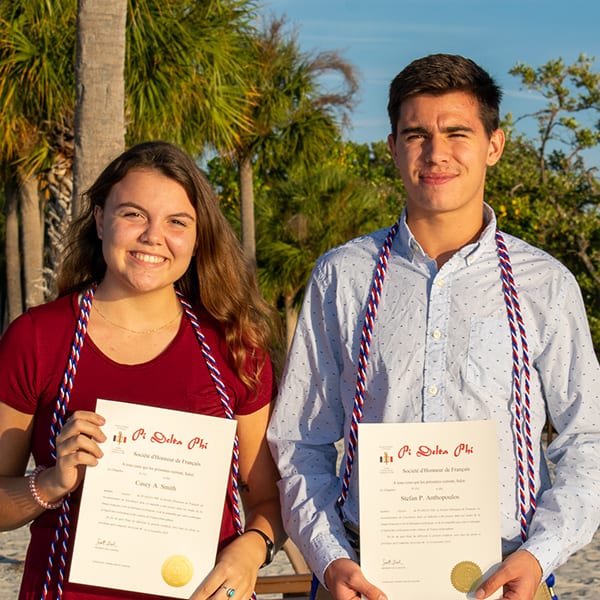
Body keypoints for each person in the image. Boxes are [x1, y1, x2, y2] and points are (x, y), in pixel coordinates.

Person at [267, 54, 600, 600]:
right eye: (416, 134)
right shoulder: (343, 275)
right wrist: (329, 559)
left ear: (494, 144)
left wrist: (541, 554)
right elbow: (302, 440)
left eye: (456, 132)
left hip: (506, 575)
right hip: (363, 575)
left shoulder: (546, 283)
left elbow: (588, 435)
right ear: (394, 146)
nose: (436, 153)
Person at [0, 140, 285, 600]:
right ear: (99, 219)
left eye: (177, 222)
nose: (154, 236)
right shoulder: (37, 337)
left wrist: (250, 552)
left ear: (197, 237)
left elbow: (268, 501)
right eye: (133, 214)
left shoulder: (235, 347)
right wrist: (51, 481)